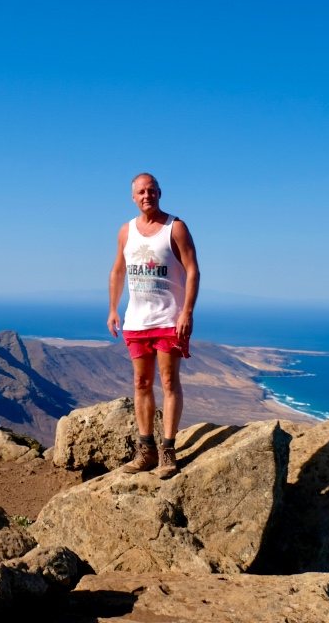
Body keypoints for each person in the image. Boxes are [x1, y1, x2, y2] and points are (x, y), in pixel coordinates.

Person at [107, 172, 199, 478]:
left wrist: (187, 312)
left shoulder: (175, 227)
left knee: (170, 382)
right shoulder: (126, 231)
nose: (147, 196)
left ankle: (168, 451)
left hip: (168, 320)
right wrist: (113, 309)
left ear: (160, 192)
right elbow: (118, 272)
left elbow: (193, 271)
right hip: (136, 321)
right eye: (141, 192)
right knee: (141, 384)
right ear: (133, 198)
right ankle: (145, 450)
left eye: (151, 191)